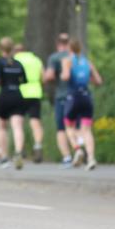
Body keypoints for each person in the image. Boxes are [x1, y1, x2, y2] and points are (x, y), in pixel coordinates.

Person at [61, 39, 103, 170]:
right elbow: (98, 81)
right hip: (86, 97)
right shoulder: (87, 62)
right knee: (86, 130)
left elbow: (66, 76)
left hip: (73, 97)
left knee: (68, 126)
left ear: (70, 48)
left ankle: (77, 149)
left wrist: (63, 75)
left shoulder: (67, 60)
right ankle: (91, 158)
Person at [0, 37, 27, 169]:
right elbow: (24, 80)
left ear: (0, 49)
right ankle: (18, 153)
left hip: (5, 95)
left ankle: (4, 157)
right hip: (17, 95)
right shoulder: (18, 63)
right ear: (13, 48)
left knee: (2, 127)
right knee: (17, 126)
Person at [44, 33, 73, 167]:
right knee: (78, 127)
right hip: (78, 96)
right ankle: (82, 150)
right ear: (69, 43)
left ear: (58, 44)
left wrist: (46, 79)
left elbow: (49, 76)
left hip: (62, 95)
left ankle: (67, 157)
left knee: (61, 128)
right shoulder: (76, 57)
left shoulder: (54, 58)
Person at [13, 43, 45, 163]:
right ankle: (37, 146)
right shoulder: (36, 60)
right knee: (35, 121)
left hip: (19, 92)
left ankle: (19, 150)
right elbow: (44, 77)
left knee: (18, 123)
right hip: (35, 92)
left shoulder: (15, 60)